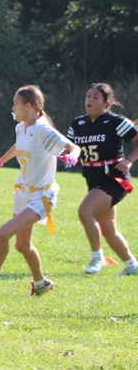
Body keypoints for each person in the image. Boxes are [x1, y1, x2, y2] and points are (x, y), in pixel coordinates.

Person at [0, 85, 81, 297]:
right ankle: (41, 283)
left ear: (29, 106)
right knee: (22, 245)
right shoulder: (21, 127)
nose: (12, 108)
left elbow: (72, 146)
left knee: (3, 233)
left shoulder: (44, 130)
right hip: (23, 193)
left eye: (15, 104)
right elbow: (19, 145)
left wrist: (73, 155)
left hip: (42, 196)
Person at [66, 83, 138, 276]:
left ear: (107, 102)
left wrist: (129, 160)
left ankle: (98, 258)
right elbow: (68, 147)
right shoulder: (78, 124)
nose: (89, 100)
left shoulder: (116, 121)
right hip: (93, 180)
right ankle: (132, 266)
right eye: (88, 96)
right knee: (108, 230)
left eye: (95, 97)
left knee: (85, 211)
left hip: (114, 179)